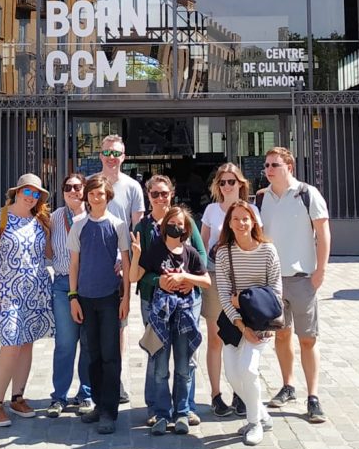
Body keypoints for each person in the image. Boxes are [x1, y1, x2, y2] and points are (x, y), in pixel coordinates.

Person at [258, 146, 331, 423]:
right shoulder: (263, 197)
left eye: (274, 164)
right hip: (273, 280)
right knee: (281, 334)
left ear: (289, 165)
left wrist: (320, 271)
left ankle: (313, 397)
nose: (269, 170)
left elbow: (323, 232)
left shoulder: (307, 194)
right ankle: (288, 386)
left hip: (302, 278)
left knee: (308, 338)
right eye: (266, 165)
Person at [0, 173, 54, 427]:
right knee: (10, 344)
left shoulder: (39, 220)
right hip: (6, 294)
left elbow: (48, 254)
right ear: (17, 192)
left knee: (26, 344)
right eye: (27, 192)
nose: (31, 198)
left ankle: (18, 396)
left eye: (36, 194)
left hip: (35, 293)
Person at [133, 174, 207, 426]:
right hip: (153, 301)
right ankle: (156, 407)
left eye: (164, 193)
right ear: (148, 196)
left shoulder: (185, 222)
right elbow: (141, 270)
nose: (160, 198)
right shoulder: (143, 228)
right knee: (158, 353)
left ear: (171, 194)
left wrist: (188, 280)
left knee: (187, 356)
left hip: (187, 298)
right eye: (155, 194)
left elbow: (201, 258)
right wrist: (158, 281)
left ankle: (186, 408)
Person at [67, 174, 130, 434]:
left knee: (110, 355)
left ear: (108, 197)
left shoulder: (117, 225)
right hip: (85, 298)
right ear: (87, 196)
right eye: (92, 193)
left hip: (109, 298)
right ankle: (96, 403)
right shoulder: (79, 225)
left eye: (100, 194)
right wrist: (73, 297)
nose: (96, 197)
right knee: (91, 354)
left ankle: (109, 410)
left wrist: (126, 297)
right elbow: (74, 264)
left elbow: (126, 263)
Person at [216, 201, 281, 445]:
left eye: (246, 218)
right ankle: (262, 414)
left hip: (262, 320)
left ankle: (254, 424)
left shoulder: (268, 251)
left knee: (249, 369)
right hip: (234, 322)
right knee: (233, 374)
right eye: (236, 219)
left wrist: (243, 298)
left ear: (254, 221)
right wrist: (242, 324)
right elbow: (224, 295)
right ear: (229, 224)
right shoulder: (224, 252)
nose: (241, 223)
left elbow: (275, 292)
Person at [200, 162, 260, 417]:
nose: (226, 186)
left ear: (240, 184)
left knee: (243, 337)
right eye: (222, 182)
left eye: (231, 181)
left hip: (245, 280)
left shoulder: (252, 209)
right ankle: (216, 394)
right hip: (215, 278)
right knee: (215, 339)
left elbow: (260, 244)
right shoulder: (211, 210)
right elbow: (202, 246)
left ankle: (241, 393)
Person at [95, 133, 144, 402]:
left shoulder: (133, 187)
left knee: (119, 325)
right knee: (91, 327)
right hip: (93, 264)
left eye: (117, 154)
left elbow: (137, 228)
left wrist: (129, 263)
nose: (112, 158)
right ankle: (91, 385)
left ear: (124, 157)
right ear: (100, 155)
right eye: (108, 153)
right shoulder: (92, 184)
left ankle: (117, 381)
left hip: (119, 266)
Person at [46, 173, 92, 418]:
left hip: (89, 285)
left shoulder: (93, 216)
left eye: (77, 187)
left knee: (87, 342)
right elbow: (47, 250)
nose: (73, 191)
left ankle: (86, 393)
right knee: (64, 343)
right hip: (63, 284)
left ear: (84, 189)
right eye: (68, 188)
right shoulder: (53, 218)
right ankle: (59, 396)